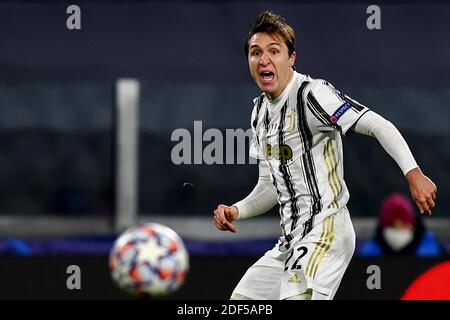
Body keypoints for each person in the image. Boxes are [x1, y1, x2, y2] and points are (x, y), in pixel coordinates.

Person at [212, 11, 437, 300]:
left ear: (291, 58)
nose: (264, 59)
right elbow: (270, 185)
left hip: (326, 230)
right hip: (291, 241)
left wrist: (413, 172)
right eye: (256, 52)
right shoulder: (259, 113)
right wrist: (237, 210)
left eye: (274, 51)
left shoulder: (312, 95)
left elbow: (378, 124)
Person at [359, 192, 443, 256]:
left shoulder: (432, 250)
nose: (398, 230)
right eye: (392, 225)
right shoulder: (370, 252)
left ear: (412, 225)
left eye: (403, 224)